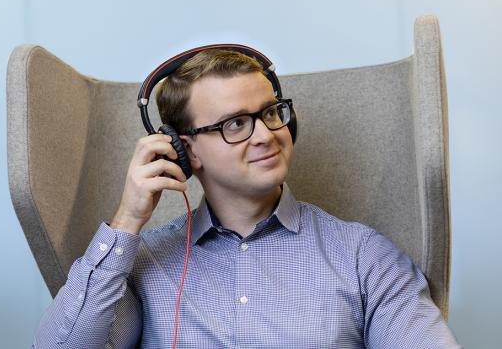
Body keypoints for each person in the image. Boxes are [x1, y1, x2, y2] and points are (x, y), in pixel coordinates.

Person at [32, 47, 461, 348]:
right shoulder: (143, 265)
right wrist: (127, 220)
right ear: (186, 150)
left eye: (270, 113)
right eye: (236, 124)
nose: (267, 135)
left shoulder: (362, 256)